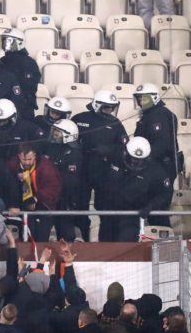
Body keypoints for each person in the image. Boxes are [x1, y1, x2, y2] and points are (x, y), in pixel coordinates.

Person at [72, 90, 128, 240]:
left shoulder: (116, 124)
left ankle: (106, 242)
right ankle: (81, 239)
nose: (109, 110)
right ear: (96, 105)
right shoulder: (79, 119)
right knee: (80, 206)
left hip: (104, 173)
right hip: (81, 171)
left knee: (105, 208)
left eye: (111, 107)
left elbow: (124, 147)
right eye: (105, 107)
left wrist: (109, 149)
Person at [96, 137, 173, 241]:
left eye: (138, 160)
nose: (134, 161)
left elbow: (166, 193)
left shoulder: (156, 171)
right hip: (109, 213)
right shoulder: (114, 156)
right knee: (105, 244)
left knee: (126, 244)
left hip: (132, 215)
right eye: (132, 157)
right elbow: (98, 178)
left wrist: (150, 206)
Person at [7, 142, 63, 242]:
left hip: (43, 205)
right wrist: (14, 204)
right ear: (19, 156)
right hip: (19, 205)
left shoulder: (46, 167)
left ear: (35, 156)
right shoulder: (12, 165)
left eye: (30, 159)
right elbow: (6, 186)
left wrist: (36, 198)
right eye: (24, 160)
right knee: (24, 237)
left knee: (41, 237)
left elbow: (53, 188)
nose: (27, 163)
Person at [45, 119, 84, 242]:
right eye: (55, 130)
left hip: (65, 200)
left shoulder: (74, 154)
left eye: (58, 131)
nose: (54, 133)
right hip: (49, 199)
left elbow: (71, 181)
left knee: (66, 235)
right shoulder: (52, 148)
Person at [133, 83, 180, 183]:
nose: (141, 102)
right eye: (139, 99)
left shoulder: (158, 115)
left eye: (144, 99)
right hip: (153, 164)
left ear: (154, 98)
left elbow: (162, 144)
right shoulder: (151, 114)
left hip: (158, 166)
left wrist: (141, 159)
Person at [0, 28, 40, 120]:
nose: (5, 44)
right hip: (3, 105)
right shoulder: (1, 61)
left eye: (8, 42)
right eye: (4, 41)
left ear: (19, 43)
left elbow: (29, 87)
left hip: (24, 108)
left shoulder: (29, 63)